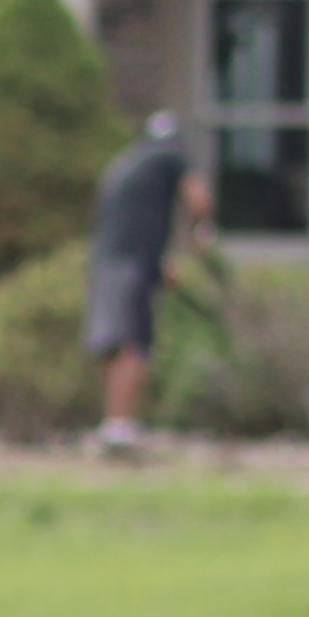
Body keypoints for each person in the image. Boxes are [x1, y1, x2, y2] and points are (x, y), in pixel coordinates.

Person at [89, 112, 212, 451]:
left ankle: (113, 420)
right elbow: (199, 200)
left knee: (110, 343)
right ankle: (119, 428)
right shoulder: (174, 156)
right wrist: (200, 235)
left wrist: (164, 259)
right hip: (134, 265)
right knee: (134, 341)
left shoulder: (127, 162)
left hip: (105, 261)